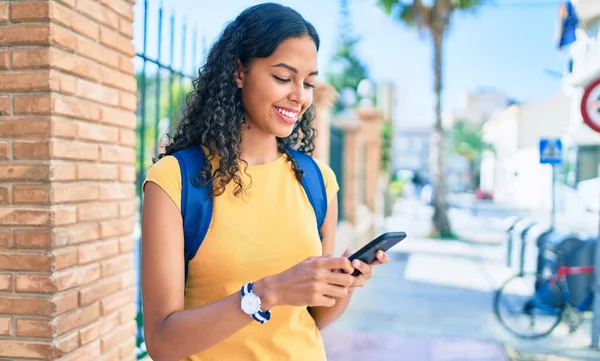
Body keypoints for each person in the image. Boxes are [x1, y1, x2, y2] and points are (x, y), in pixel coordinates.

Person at [140, 3, 389, 361]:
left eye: (308, 83)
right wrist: (267, 292)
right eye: (283, 78)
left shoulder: (319, 182)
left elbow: (315, 319)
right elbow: (163, 342)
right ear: (238, 71)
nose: (300, 96)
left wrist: (342, 286)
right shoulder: (175, 181)